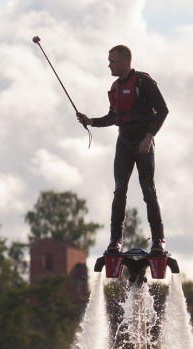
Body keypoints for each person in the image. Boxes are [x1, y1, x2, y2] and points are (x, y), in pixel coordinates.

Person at [77, 45, 169, 254]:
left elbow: (163, 110)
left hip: (143, 144)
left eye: (113, 61)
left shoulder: (143, 82)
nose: (109, 64)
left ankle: (158, 240)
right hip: (124, 144)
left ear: (126, 61)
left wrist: (149, 137)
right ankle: (115, 241)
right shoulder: (115, 87)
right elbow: (113, 117)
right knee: (119, 191)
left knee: (148, 192)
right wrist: (90, 121)